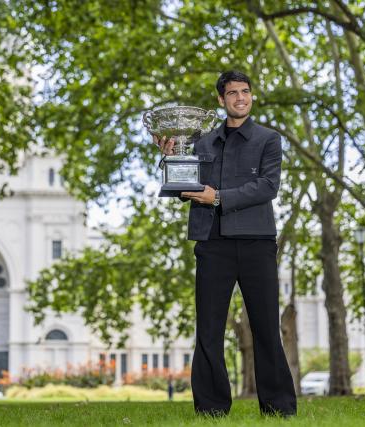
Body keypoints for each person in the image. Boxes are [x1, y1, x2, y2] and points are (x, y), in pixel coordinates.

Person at [153, 70, 297, 417]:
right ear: (221, 100)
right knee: (209, 329)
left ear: (251, 96)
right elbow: (182, 190)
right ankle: (212, 409)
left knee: (265, 328)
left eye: (245, 91)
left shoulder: (269, 140)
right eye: (232, 93)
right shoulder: (201, 142)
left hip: (256, 242)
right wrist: (171, 157)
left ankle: (278, 409)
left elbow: (267, 187)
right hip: (212, 244)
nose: (240, 98)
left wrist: (218, 197)